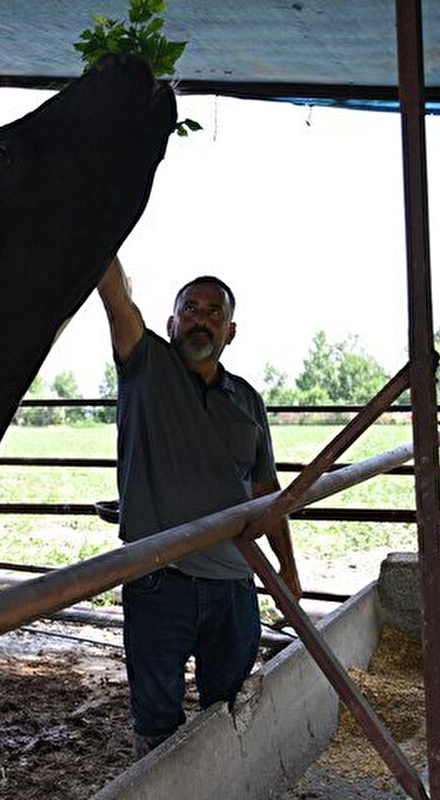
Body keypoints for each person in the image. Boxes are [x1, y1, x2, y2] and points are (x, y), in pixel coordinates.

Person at [96, 255, 301, 759]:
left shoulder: (247, 400)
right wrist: (96, 226)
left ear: (231, 331)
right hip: (157, 581)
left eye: (214, 312)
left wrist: (288, 570)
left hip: (235, 584)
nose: (200, 320)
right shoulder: (145, 365)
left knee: (229, 713)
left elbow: (266, 490)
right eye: (190, 309)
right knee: (157, 722)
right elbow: (116, 297)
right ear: (171, 323)